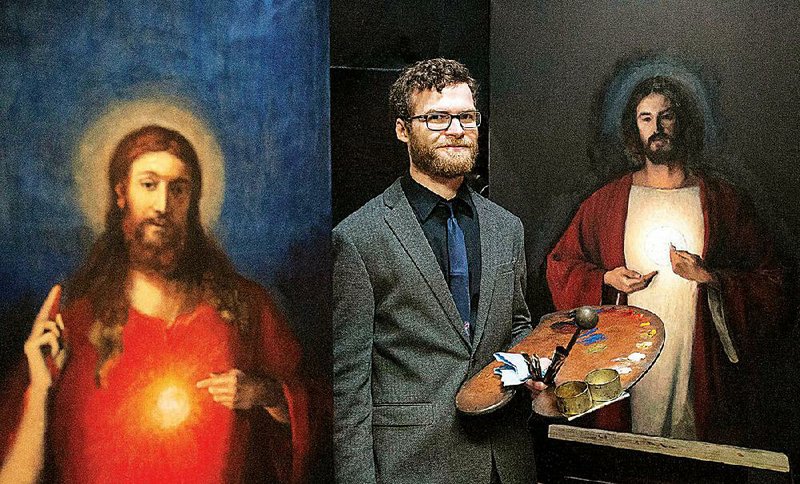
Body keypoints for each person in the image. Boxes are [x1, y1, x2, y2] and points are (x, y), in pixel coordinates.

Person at [0, 125, 311, 483]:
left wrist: (267, 393)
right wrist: (40, 388)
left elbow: (322, 412)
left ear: (191, 201)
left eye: (177, 189)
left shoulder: (244, 308)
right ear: (121, 194)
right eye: (148, 185)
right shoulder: (72, 328)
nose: (162, 205)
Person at [333, 58, 543, 484]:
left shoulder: (507, 227)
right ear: (402, 129)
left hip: (504, 462)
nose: (456, 129)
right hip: (412, 466)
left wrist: (533, 368)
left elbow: (517, 325)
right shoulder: (359, 236)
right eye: (436, 118)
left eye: (466, 116)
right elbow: (348, 387)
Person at [546, 76, 784, 444]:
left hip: (696, 352)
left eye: (666, 116)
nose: (656, 128)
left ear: (681, 122)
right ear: (634, 129)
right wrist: (608, 279)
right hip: (630, 349)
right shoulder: (607, 202)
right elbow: (562, 265)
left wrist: (711, 277)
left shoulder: (721, 200)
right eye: (645, 118)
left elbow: (773, 280)